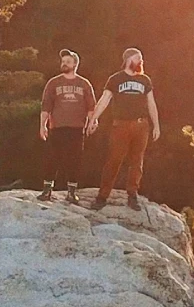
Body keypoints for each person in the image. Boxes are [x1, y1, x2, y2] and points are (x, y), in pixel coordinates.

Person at [86, 46, 159, 210]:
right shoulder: (115, 79)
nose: (140, 61)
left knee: (137, 161)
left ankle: (132, 195)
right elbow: (105, 100)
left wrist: (156, 125)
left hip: (141, 125)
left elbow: (151, 103)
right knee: (114, 160)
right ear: (128, 60)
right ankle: (102, 196)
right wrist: (93, 119)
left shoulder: (145, 80)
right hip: (120, 125)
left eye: (141, 58)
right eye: (137, 57)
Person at [38, 48, 95, 202]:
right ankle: (47, 190)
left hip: (76, 128)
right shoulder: (54, 83)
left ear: (75, 64)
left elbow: (91, 107)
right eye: (63, 61)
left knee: (74, 160)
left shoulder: (84, 84)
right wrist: (42, 125)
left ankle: (71, 193)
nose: (64, 64)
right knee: (52, 159)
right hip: (57, 127)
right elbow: (46, 106)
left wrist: (92, 121)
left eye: (68, 61)